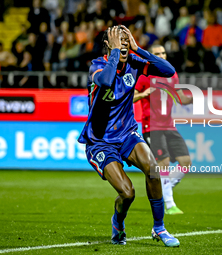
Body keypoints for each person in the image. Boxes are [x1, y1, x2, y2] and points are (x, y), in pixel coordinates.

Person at [78, 26, 180, 247]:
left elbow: (169, 71)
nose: (123, 43)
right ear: (108, 44)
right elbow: (105, 81)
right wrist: (115, 52)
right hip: (100, 142)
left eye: (126, 39)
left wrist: (139, 49)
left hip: (127, 133)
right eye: (118, 40)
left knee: (153, 169)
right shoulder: (98, 65)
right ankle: (118, 222)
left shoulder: (134, 62)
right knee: (127, 193)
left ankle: (159, 227)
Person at [133, 44, 193, 215]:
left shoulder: (172, 74)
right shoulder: (145, 75)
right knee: (163, 163)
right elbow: (131, 98)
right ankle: (169, 203)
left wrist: (192, 98)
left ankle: (161, 186)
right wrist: (144, 94)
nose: (161, 56)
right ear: (151, 56)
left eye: (163, 53)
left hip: (169, 125)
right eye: (157, 53)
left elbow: (180, 98)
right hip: (151, 126)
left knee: (185, 162)